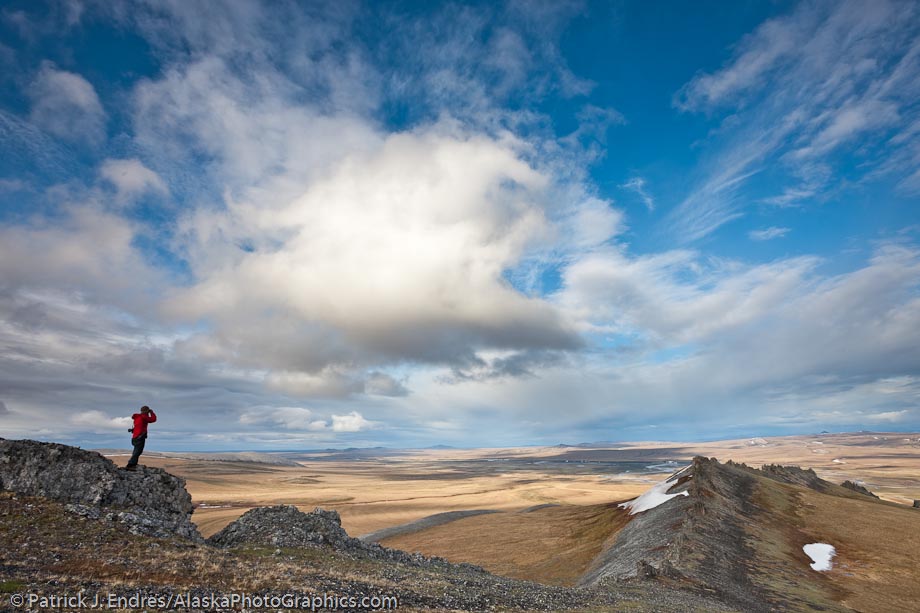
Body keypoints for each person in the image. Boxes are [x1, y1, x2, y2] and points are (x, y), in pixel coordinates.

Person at [125, 405, 157, 471]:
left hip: (134, 437)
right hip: (140, 437)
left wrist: (133, 430)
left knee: (136, 451)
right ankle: (130, 465)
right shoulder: (144, 417)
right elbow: (153, 419)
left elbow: (137, 427)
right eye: (147, 412)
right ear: (146, 412)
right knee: (137, 452)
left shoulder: (137, 417)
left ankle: (133, 464)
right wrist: (152, 412)